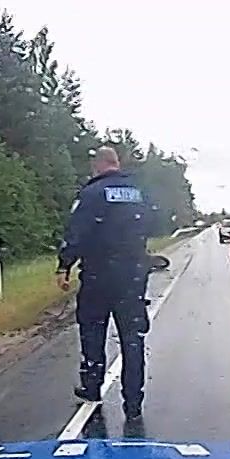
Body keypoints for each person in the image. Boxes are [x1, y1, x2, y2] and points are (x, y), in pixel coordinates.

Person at [56, 146, 156, 421]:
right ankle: (133, 401)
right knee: (132, 341)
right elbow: (153, 223)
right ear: (117, 163)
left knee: (92, 333)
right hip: (132, 278)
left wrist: (65, 264)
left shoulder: (91, 194)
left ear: (97, 166)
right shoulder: (138, 193)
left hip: (99, 276)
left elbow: (77, 232)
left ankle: (92, 386)